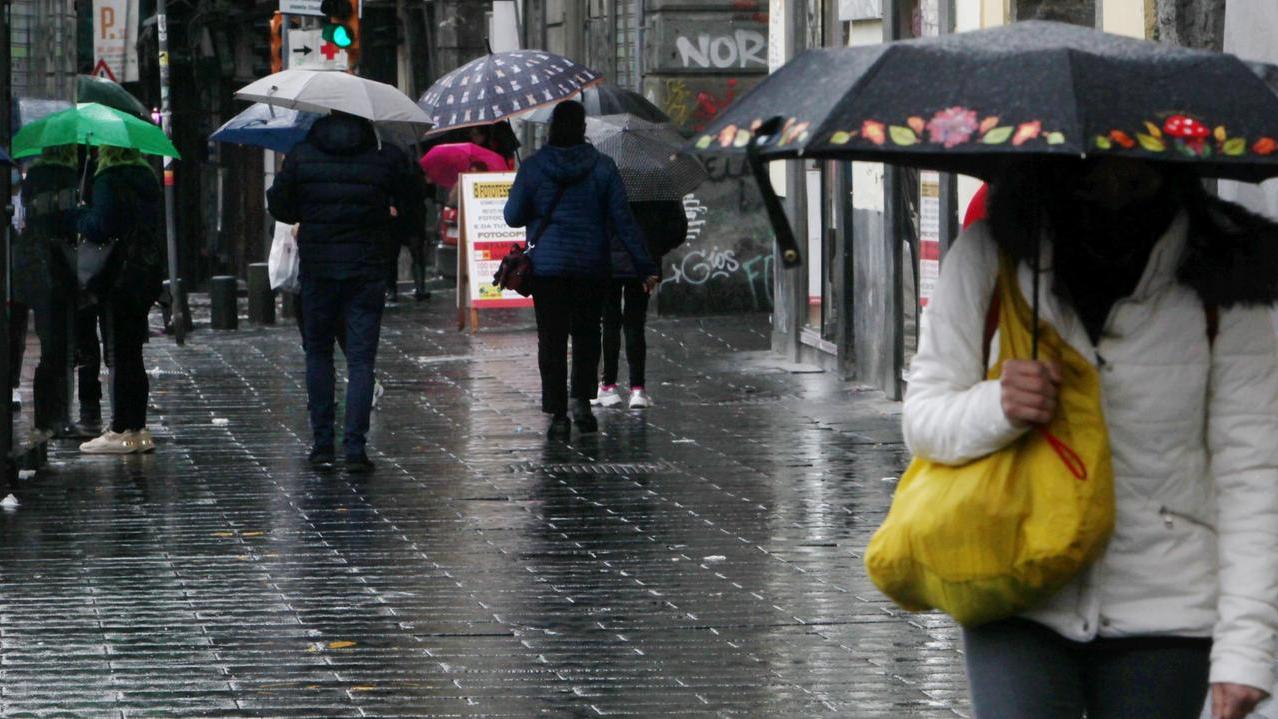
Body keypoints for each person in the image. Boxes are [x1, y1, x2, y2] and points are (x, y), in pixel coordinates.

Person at [904, 157, 1278, 719]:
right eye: (1088, 174)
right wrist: (997, 406)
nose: (1111, 194)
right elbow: (924, 420)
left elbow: (1254, 473)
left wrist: (1247, 649)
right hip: (1018, 585)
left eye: (1135, 178)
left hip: (1167, 607)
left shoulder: (1222, 275)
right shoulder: (992, 253)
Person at [267, 111, 422, 473]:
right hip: (367, 269)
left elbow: (279, 206)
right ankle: (355, 448)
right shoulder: (384, 158)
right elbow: (412, 202)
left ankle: (322, 445)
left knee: (318, 353)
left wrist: (307, 206)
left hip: (319, 269)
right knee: (361, 359)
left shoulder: (302, 155)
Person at [503, 100, 659, 439]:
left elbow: (512, 216)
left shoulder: (533, 167)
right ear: (583, 130)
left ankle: (558, 414)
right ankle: (582, 405)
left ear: (551, 129)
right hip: (591, 266)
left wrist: (529, 194)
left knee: (552, 340)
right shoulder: (603, 167)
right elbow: (624, 222)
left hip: (547, 269)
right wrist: (644, 266)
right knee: (587, 336)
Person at [76, 146, 164, 454]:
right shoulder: (147, 178)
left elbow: (102, 226)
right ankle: (137, 429)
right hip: (144, 273)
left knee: (116, 351)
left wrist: (81, 215)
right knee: (132, 352)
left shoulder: (108, 179)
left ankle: (118, 430)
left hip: (117, 276)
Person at [593, 200, 687, 409]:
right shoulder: (656, 182)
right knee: (635, 323)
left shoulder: (605, 176)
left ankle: (608, 386)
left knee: (609, 322)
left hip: (608, 263)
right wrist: (653, 249)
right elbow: (678, 229)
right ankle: (638, 390)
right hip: (643, 263)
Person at [16, 145, 80, 438]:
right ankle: (57, 415)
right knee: (59, 345)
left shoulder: (33, 176)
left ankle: (46, 416)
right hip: (58, 265)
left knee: (48, 343)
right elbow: (69, 220)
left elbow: (24, 217)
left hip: (33, 266)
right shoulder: (67, 175)